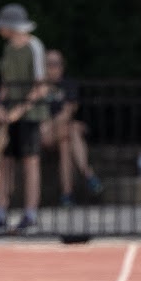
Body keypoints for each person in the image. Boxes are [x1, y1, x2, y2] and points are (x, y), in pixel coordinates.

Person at [0, 3, 49, 233]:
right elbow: (6, 84)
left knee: (30, 162)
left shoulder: (34, 46)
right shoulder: (8, 48)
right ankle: (0, 212)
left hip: (30, 113)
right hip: (9, 114)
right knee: (4, 162)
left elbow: (40, 86)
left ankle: (30, 213)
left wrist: (20, 110)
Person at [41, 49, 100, 207]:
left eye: (56, 64)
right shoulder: (39, 87)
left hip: (57, 130)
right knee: (72, 128)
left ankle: (67, 194)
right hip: (43, 134)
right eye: (49, 64)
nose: (53, 68)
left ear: (62, 66)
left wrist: (51, 124)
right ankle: (88, 174)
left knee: (67, 136)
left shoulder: (68, 84)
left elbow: (68, 111)